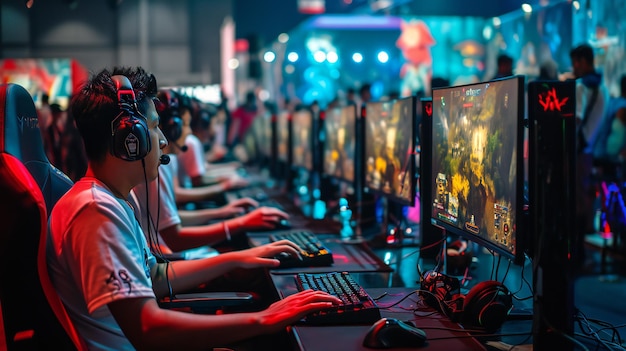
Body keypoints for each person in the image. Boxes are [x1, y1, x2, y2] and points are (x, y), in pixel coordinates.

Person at [47, 66, 341, 350]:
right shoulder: (96, 211)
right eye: (153, 126)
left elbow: (156, 277)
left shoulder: (111, 199)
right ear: (129, 140)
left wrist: (238, 257)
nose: (163, 140)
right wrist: (264, 319)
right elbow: (148, 329)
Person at [132, 90, 291, 259]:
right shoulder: (157, 167)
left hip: (173, 259)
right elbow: (175, 238)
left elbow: (171, 220)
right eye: (185, 125)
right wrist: (239, 222)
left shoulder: (161, 164)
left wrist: (223, 212)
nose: (189, 133)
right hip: (172, 259)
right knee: (258, 260)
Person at [570, 44, 608, 267]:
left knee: (575, 200)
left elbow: (575, 119)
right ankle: (581, 251)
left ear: (584, 61)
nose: (574, 67)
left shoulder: (581, 87)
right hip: (589, 152)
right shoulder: (602, 88)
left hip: (577, 152)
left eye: (576, 62)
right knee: (583, 199)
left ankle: (576, 252)